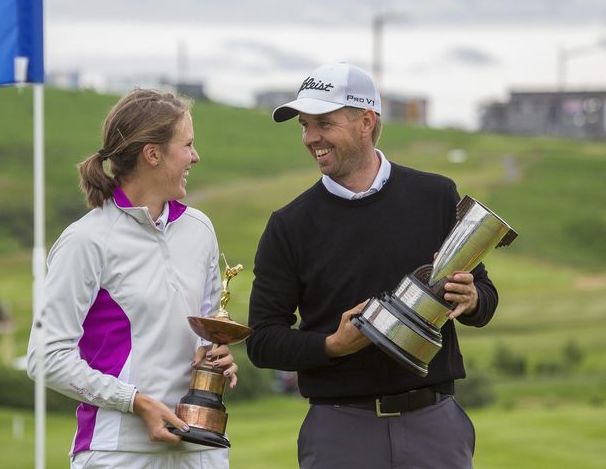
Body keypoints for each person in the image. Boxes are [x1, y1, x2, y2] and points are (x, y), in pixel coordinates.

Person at [246, 63, 498, 468]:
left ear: (366, 122)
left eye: (323, 123)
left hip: (434, 422)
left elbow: (484, 297)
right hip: (339, 429)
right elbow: (261, 340)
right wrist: (332, 346)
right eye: (305, 126)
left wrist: (472, 298)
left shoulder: (435, 195)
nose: (311, 138)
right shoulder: (289, 225)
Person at [27, 89, 238, 469]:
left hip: (201, 451)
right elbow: (45, 357)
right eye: (187, 145)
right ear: (152, 154)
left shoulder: (200, 229)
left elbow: (206, 334)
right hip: (118, 453)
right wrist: (135, 401)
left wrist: (219, 356)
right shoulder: (86, 239)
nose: (195, 156)